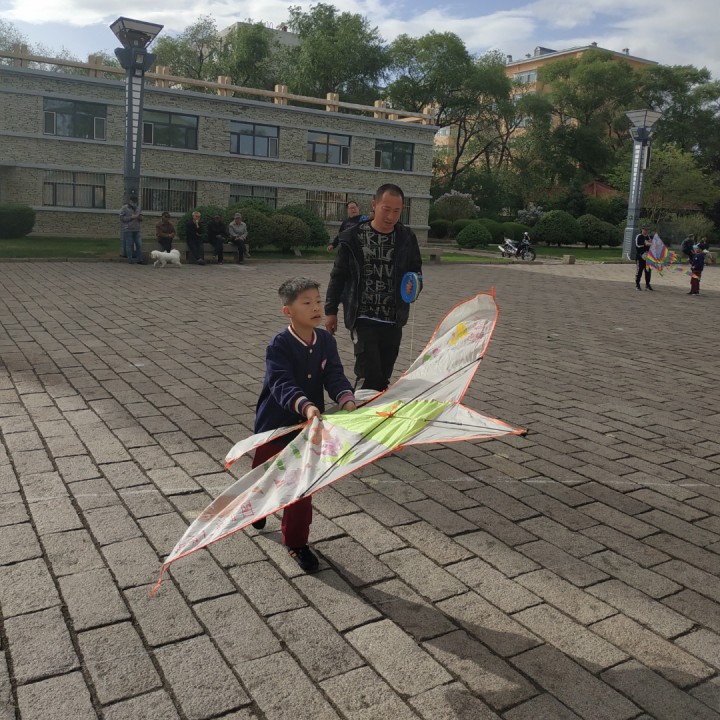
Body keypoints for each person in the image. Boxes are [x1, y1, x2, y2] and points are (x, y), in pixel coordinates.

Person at [251, 277, 356, 572]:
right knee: (264, 473)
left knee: (300, 485)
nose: (316, 308)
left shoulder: (325, 341)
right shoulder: (279, 345)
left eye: (318, 301)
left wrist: (346, 399)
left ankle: (297, 543)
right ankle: (257, 505)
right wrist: (306, 405)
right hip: (274, 426)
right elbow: (281, 383)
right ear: (288, 311)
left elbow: (334, 374)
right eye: (306, 303)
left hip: (309, 427)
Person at [325, 183, 422, 392]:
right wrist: (330, 311)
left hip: (393, 319)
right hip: (362, 317)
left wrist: (414, 285)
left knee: (383, 378)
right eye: (386, 209)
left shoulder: (407, 238)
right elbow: (338, 276)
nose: (391, 216)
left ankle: (376, 410)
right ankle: (358, 409)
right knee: (368, 376)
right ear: (374, 205)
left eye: (396, 211)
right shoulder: (352, 237)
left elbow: (416, 271)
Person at [119, 195, 145, 265]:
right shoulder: (124, 208)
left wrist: (139, 217)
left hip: (137, 229)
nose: (134, 203)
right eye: (132, 201)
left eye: (135, 201)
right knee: (129, 245)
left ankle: (140, 259)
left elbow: (142, 218)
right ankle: (130, 260)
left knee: (139, 244)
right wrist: (131, 217)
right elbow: (122, 218)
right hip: (128, 229)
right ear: (129, 201)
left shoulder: (138, 208)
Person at [634, 225, 653, 291]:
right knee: (639, 271)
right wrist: (645, 244)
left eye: (647, 230)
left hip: (648, 257)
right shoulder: (639, 236)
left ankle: (647, 284)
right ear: (642, 230)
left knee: (648, 271)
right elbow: (637, 245)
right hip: (640, 257)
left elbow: (652, 245)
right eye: (644, 229)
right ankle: (637, 285)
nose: (646, 231)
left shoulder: (649, 237)